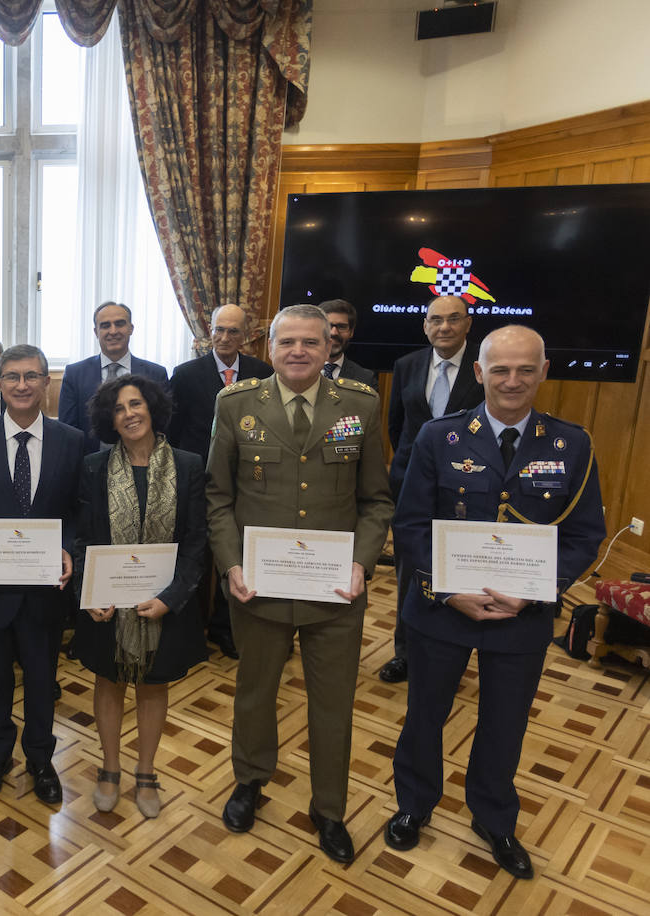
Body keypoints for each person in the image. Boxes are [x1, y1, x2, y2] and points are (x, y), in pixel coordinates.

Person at [385, 325, 603, 879]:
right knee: (424, 715)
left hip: (521, 616)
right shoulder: (440, 437)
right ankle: (414, 805)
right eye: (500, 369)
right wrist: (446, 590)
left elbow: (582, 535)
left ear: (543, 372)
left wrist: (537, 591)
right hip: (441, 610)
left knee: (505, 723)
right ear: (479, 373)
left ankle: (494, 818)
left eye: (525, 369)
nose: (513, 381)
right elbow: (410, 525)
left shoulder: (571, 444)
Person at [207, 304, 392, 865]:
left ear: (329, 346)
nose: (298, 351)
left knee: (333, 704)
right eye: (287, 342)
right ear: (270, 347)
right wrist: (231, 564)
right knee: (255, 692)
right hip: (258, 586)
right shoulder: (236, 405)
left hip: (336, 591)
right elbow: (218, 498)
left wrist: (361, 562)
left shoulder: (359, 406)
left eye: (312, 342)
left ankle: (329, 808)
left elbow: (376, 500)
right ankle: (250, 780)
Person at [73, 374, 207, 818]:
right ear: (108, 419)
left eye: (135, 404)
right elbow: (83, 539)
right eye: (118, 409)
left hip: (165, 603)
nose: (128, 414)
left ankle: (146, 771)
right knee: (108, 681)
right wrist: (88, 593)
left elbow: (196, 542)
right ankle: (110, 768)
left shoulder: (188, 465)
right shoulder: (94, 467)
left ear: (151, 407)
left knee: (154, 684)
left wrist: (171, 597)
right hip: (107, 603)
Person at [0, 344, 83, 805]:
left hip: (45, 589)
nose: (22, 385)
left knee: (40, 679)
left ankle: (40, 758)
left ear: (47, 382)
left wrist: (69, 548)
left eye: (32, 376)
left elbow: (78, 509)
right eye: (13, 376)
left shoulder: (72, 440)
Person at [380, 295, 484, 683]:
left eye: (453, 319)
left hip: (467, 485)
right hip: (412, 485)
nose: (444, 327)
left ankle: (450, 660)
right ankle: (404, 653)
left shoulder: (481, 368)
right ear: (425, 325)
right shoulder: (407, 365)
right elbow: (397, 425)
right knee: (411, 572)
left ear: (468, 324)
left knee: (458, 571)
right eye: (435, 320)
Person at [166, 303, 272, 659]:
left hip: (246, 483)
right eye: (219, 330)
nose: (225, 338)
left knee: (235, 555)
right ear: (209, 331)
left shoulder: (262, 373)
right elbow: (172, 433)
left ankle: (226, 628)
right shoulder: (184, 374)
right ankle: (192, 629)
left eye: (233, 331)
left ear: (246, 335)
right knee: (194, 554)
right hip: (196, 481)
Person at [59, 302, 169, 453]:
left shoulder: (156, 374)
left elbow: (163, 425)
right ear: (96, 332)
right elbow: (68, 429)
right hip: (90, 467)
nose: (113, 331)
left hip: (144, 463)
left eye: (119, 324)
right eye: (105, 326)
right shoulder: (75, 374)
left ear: (131, 328)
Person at [320, 299, 378, 389]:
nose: (334, 332)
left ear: (351, 332)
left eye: (341, 327)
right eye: (328, 326)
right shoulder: (298, 371)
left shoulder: (366, 379)